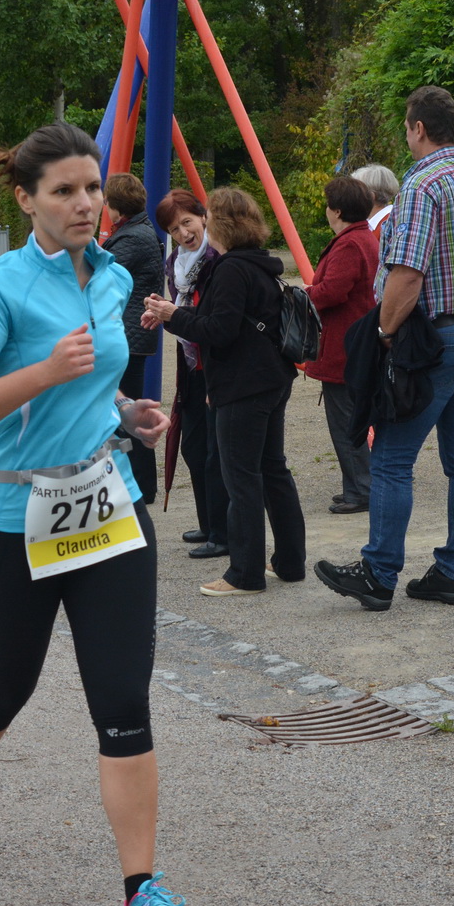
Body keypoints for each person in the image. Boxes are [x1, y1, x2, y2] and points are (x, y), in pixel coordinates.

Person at [0, 122, 200, 906]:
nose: (84, 203)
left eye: (92, 187)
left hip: (106, 507)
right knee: (6, 685)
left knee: (122, 698)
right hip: (14, 519)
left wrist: (126, 413)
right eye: (63, 191)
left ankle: (142, 892)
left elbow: (96, 381)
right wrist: (45, 369)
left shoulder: (114, 271)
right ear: (26, 199)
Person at [316, 86, 454, 612]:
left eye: (406, 125)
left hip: (435, 337)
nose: (406, 133)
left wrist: (381, 335)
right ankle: (453, 573)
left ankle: (378, 574)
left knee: (393, 458)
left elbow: (406, 275)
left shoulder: (423, 186)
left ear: (418, 128)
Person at [142, 187, 304, 597]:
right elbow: (225, 321)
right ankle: (289, 560)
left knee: (242, 477)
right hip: (270, 378)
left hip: (244, 384)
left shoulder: (231, 269)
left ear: (223, 223)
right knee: (272, 470)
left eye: (207, 216)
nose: (202, 223)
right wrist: (175, 314)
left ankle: (245, 573)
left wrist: (174, 316)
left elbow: (219, 330)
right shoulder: (259, 264)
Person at [155, 190, 228, 558]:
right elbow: (181, 317)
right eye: (174, 228)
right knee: (193, 446)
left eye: (187, 222)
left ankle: (223, 532)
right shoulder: (175, 264)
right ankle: (208, 522)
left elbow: (211, 322)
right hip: (190, 364)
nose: (184, 233)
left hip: (217, 363)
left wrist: (174, 315)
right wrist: (163, 315)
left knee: (218, 452)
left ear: (203, 217)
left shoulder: (218, 260)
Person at [304, 176, 380, 514]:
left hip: (344, 345)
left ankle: (362, 490)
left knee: (347, 422)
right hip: (358, 342)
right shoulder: (364, 237)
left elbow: (333, 291)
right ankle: (356, 486)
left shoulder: (350, 244)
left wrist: (303, 295)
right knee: (353, 419)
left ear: (335, 210)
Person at [100, 172, 162, 504]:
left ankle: (140, 486)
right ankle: (143, 484)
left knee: (127, 413)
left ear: (113, 206)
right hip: (135, 334)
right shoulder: (139, 231)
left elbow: (98, 276)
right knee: (131, 410)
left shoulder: (131, 238)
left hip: (128, 335)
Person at [353, 164, 400, 234]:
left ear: (371, 197)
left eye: (356, 192)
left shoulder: (388, 225)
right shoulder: (392, 218)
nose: (351, 197)